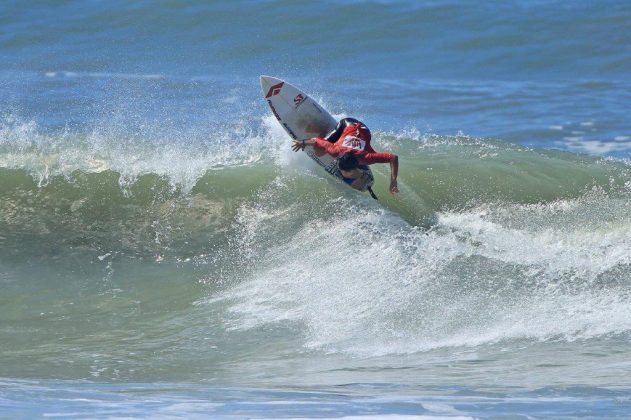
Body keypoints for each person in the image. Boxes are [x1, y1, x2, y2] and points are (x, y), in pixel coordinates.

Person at [292, 118, 399, 194]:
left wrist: (393, 180)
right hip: (347, 124)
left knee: (324, 152)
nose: (344, 173)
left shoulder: (366, 157)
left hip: (363, 129)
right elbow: (316, 140)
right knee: (319, 152)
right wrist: (302, 142)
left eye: (346, 172)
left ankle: (360, 174)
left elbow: (393, 157)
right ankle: (323, 129)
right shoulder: (335, 150)